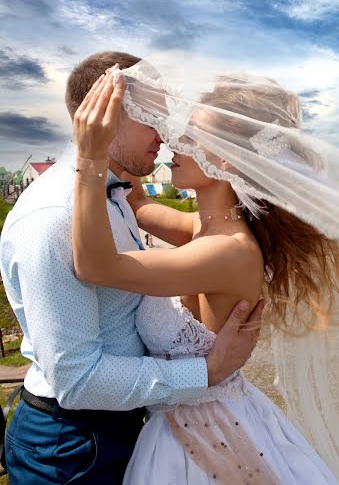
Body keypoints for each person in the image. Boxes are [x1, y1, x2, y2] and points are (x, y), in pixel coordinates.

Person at [0, 51, 263, 485]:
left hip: (120, 426)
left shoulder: (116, 194)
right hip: (73, 443)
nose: (166, 134)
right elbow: (77, 380)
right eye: (151, 116)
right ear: (105, 114)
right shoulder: (55, 216)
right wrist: (206, 372)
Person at [71, 69, 339, 484]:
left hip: (206, 434)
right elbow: (140, 205)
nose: (173, 142)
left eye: (192, 137)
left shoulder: (226, 250)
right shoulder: (207, 228)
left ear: (226, 158)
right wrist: (127, 131)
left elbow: (95, 265)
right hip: (196, 418)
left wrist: (89, 158)